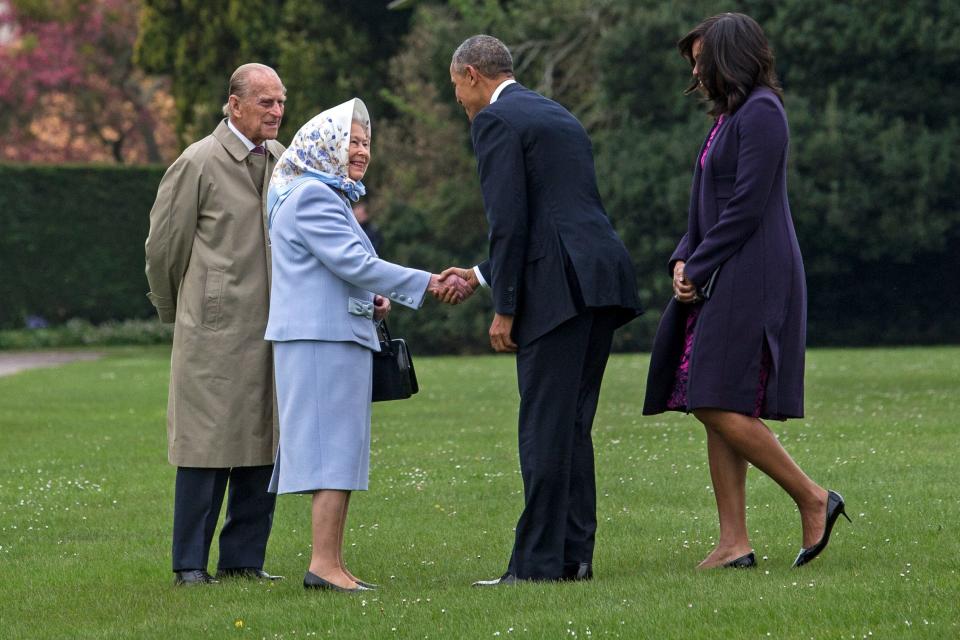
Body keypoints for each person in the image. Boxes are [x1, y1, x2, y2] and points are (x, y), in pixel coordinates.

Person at [642, 13, 849, 569]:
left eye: (702, 59)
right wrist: (683, 257)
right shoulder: (730, 117)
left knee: (712, 396)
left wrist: (701, 264)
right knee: (716, 396)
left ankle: (812, 497)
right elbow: (707, 205)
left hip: (754, 272)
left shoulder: (762, 113)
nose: (696, 71)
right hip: (723, 269)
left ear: (730, 56)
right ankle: (734, 542)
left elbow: (747, 206)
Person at [442, 35, 642, 585]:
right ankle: (574, 558)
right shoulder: (556, 114)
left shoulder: (495, 122)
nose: (457, 98)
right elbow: (549, 216)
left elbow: (509, 221)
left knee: (544, 428)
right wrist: (481, 274)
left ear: (473, 75)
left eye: (456, 85)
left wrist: (505, 307)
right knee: (573, 426)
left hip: (558, 292)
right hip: (600, 281)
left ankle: (534, 567)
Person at [264, 97, 469, 593]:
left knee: (341, 451)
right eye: (351, 141)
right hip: (320, 340)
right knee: (330, 451)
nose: (360, 151)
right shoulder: (313, 196)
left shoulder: (322, 194)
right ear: (326, 145)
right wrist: (426, 283)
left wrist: (371, 297)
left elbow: (337, 269)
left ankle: (331, 564)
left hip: (332, 334)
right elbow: (354, 263)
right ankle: (322, 566)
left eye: (365, 143)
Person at [145, 63, 287, 586]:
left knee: (262, 441)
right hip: (212, 329)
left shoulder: (282, 160)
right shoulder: (197, 162)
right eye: (265, 103)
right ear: (234, 104)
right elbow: (164, 249)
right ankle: (189, 566)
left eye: (280, 102)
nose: (276, 112)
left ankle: (244, 561)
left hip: (273, 328)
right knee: (205, 448)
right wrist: (177, 312)